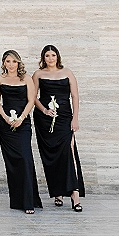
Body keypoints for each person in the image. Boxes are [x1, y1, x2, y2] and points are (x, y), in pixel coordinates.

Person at [33, 44, 85, 211]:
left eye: (53, 55)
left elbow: (75, 96)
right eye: (47, 56)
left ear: (58, 57)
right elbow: (33, 97)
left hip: (64, 119)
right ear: (43, 58)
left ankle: (75, 195)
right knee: (51, 155)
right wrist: (45, 110)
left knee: (68, 152)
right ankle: (58, 193)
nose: (50, 58)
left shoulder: (67, 73)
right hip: (45, 119)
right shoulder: (38, 74)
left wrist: (75, 118)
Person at [0, 50, 42, 214]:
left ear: (18, 63)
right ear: (4, 63)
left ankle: (29, 201)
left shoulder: (26, 78)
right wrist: (6, 117)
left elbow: (31, 101)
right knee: (12, 162)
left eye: (14, 61)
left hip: (23, 123)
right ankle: (16, 200)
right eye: (8, 61)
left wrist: (21, 118)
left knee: (25, 158)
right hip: (4, 124)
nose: (11, 64)